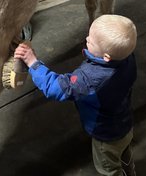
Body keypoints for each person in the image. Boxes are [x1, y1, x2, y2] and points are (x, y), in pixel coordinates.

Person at [14, 14, 137, 176]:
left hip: (105, 136)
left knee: (109, 169)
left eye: (91, 40)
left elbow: (56, 88)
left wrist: (33, 63)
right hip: (125, 125)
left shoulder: (90, 78)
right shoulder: (127, 58)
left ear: (106, 57)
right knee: (124, 155)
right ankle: (131, 172)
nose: (86, 38)